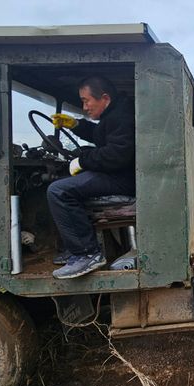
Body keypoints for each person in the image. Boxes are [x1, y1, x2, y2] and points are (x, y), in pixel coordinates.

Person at [47, 76, 135, 279]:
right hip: (118, 174)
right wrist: (77, 125)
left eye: (86, 100)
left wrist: (83, 161)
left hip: (123, 178)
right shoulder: (114, 113)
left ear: (105, 98)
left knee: (58, 191)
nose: (84, 107)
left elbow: (117, 155)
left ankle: (87, 253)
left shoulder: (122, 116)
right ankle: (75, 245)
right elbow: (102, 134)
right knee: (61, 183)